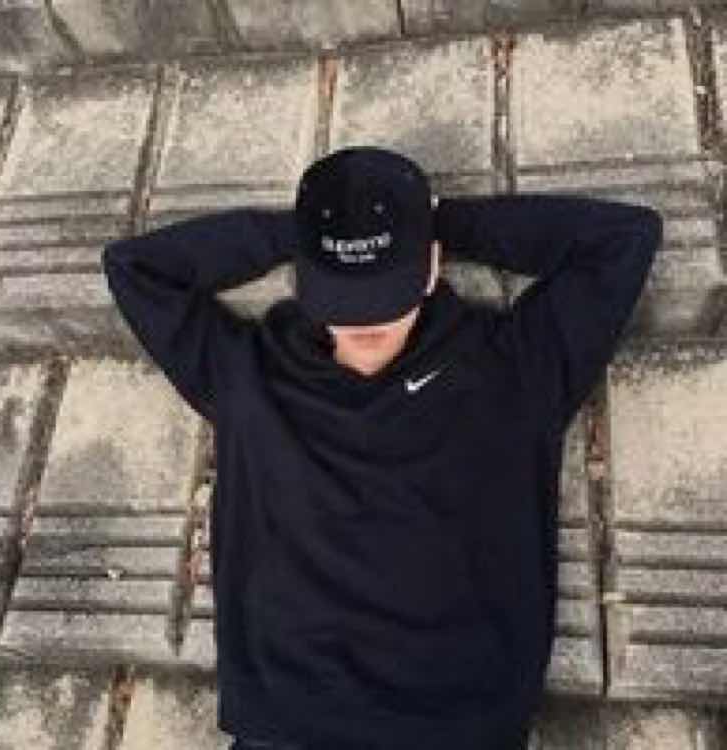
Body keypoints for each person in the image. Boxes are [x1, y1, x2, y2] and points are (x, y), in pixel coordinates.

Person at [102, 146, 663, 750]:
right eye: (340, 298)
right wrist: (306, 236)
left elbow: (624, 239)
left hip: (455, 732)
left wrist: (432, 226)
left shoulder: (515, 368)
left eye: (383, 293)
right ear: (304, 281)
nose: (364, 325)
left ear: (431, 267)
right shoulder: (250, 374)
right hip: (290, 728)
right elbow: (134, 267)